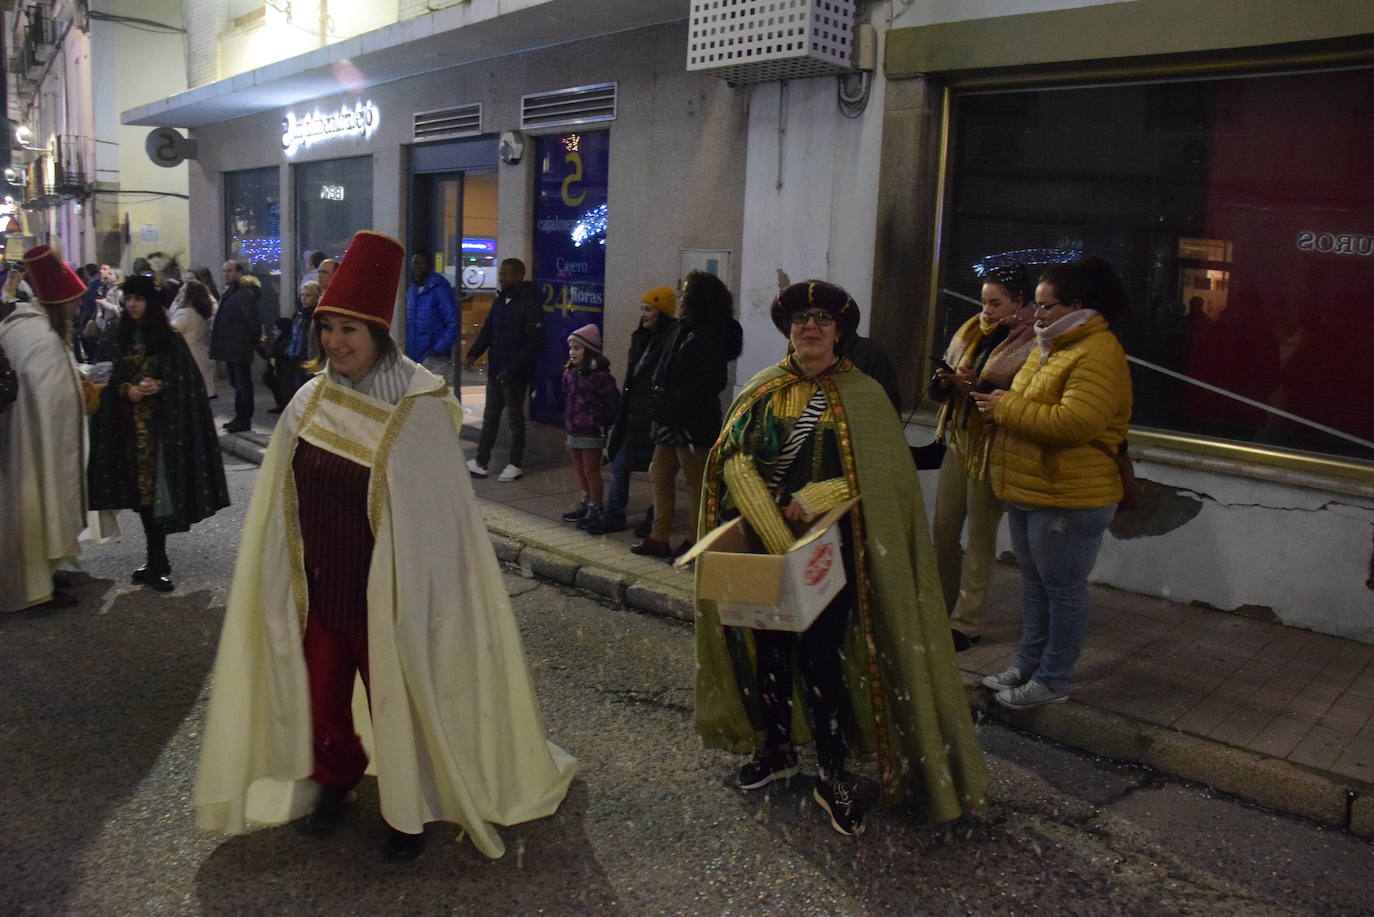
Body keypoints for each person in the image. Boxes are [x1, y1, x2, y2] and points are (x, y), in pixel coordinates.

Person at [194, 230, 577, 862]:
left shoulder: (418, 406)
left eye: (351, 329)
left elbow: (436, 520)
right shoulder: (307, 401)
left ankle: (410, 808)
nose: (336, 342)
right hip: (318, 583)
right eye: (329, 328)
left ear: (379, 333)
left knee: (401, 696)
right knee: (322, 698)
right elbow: (279, 500)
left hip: (392, 590)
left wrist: (413, 586)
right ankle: (335, 782)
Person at [695, 280, 988, 837]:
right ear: (788, 329)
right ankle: (777, 749)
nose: (811, 328)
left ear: (840, 332)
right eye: (802, 319)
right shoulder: (762, 387)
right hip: (766, 551)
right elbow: (731, 456)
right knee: (770, 653)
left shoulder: (865, 396)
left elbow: (880, 477)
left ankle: (832, 773)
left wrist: (820, 497)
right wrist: (759, 503)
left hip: (833, 554)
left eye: (823, 320)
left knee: (821, 660)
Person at [972, 256, 1133, 710]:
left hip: (1069, 495)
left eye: (1046, 307)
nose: (1037, 316)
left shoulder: (1096, 351)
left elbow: (1073, 423)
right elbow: (1027, 400)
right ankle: (1027, 666)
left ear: (1078, 305)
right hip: (1031, 488)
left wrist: (1004, 408)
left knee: (1062, 589)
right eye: (1037, 307)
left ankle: (1054, 679)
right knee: (1035, 585)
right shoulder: (1055, 345)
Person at [87, 274, 230, 592]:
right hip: (125, 431)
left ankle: (158, 559)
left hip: (162, 433)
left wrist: (160, 385)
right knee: (140, 497)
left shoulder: (169, 338)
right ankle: (155, 560)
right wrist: (126, 390)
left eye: (138, 299)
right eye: (129, 299)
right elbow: (103, 376)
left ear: (150, 302)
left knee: (157, 495)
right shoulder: (115, 335)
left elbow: (187, 382)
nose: (132, 304)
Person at [930, 263, 1036, 652]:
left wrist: (979, 385)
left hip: (993, 446)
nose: (986, 310)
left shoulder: (1032, 341)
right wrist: (945, 382)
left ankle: (966, 621)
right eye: (983, 301)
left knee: (980, 535)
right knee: (942, 527)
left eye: (996, 302)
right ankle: (940, 608)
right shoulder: (971, 331)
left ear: (1019, 301)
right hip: (959, 438)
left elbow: (1018, 400)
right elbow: (940, 391)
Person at [0, 246, 103, 612]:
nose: (77, 310)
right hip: (32, 445)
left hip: (23, 438)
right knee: (35, 503)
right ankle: (35, 587)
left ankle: (43, 571)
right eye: (74, 304)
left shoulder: (25, 325)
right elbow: (50, 397)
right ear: (60, 304)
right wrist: (85, 390)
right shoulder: (41, 338)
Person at [631, 270, 742, 559]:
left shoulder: (707, 333)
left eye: (687, 293)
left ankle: (696, 541)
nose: (682, 297)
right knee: (660, 473)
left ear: (700, 298)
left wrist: (678, 401)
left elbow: (713, 380)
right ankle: (658, 537)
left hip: (692, 421)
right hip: (670, 418)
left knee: (696, 484)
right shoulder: (685, 327)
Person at [594, 286, 679, 536]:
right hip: (632, 416)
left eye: (649, 309)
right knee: (620, 466)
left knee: (658, 474)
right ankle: (614, 515)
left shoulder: (672, 339)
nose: (643, 314)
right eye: (642, 309)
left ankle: (655, 518)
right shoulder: (640, 337)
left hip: (654, 416)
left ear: (661, 312)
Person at [464, 257, 544, 482]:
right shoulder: (499, 302)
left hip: (514, 375)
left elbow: (536, 343)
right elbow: (489, 330)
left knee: (515, 419)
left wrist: (512, 368)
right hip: (496, 370)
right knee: (490, 417)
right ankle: (481, 461)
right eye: (501, 273)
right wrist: (474, 352)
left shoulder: (529, 304)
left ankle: (515, 464)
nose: (501, 277)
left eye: (506, 274)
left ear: (519, 276)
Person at [559, 324, 619, 531]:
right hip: (573, 428)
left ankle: (596, 505)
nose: (572, 352)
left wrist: (601, 422)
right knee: (580, 471)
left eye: (577, 348)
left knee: (591, 471)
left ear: (589, 350)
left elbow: (613, 403)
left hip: (592, 431)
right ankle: (586, 500)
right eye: (571, 348)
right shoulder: (570, 373)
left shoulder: (600, 377)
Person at [210, 259, 263, 433]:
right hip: (231, 345)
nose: (226, 274)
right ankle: (239, 416)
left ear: (239, 272)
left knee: (242, 384)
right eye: (225, 271)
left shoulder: (244, 294)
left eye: (230, 271)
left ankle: (244, 418)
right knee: (237, 384)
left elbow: (252, 320)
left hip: (239, 345)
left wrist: (253, 340)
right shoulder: (232, 292)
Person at [403, 250, 458, 385]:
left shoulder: (440, 289)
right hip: (414, 358)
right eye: (414, 263)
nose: (417, 267)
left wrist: (437, 350)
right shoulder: (412, 291)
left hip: (434, 359)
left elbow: (452, 323)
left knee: (433, 401)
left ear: (429, 266)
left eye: (421, 263)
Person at [169, 279, 217, 398]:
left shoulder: (186, 313)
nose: (180, 291)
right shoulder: (201, 312)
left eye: (183, 290)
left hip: (189, 355)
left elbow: (173, 329)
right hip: (200, 352)